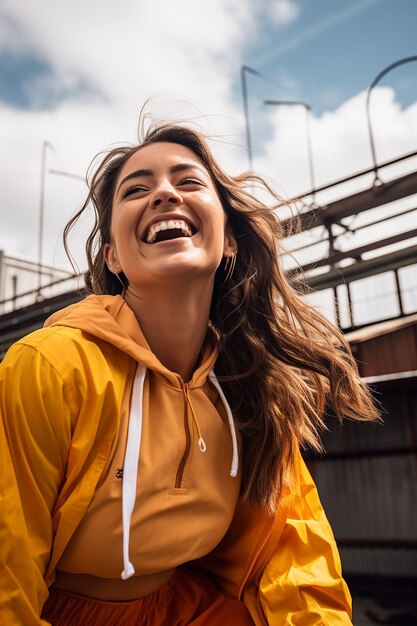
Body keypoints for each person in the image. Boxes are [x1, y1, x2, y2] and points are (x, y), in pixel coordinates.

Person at [0, 122, 378, 626]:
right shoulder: (49, 366)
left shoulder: (252, 388)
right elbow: (7, 568)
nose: (162, 194)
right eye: (136, 189)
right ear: (112, 255)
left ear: (230, 241)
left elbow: (295, 555)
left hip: (187, 609)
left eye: (189, 181)